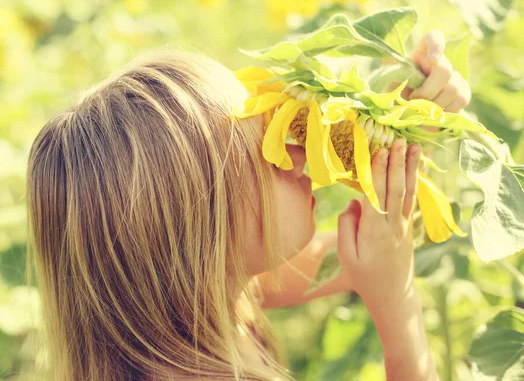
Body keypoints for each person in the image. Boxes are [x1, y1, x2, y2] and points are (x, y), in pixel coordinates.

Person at [26, 30, 471, 380]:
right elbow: (370, 269)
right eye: (269, 155)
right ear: (204, 232)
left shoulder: (187, 315)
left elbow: (356, 259)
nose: (299, 159)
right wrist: (398, 304)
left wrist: (394, 129)